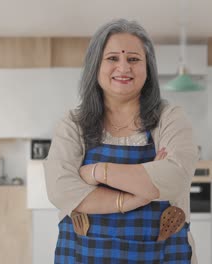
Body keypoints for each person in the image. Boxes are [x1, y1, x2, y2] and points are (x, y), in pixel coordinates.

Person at [43, 18, 199, 264]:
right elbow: (61, 190)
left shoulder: (170, 118)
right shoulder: (73, 123)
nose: (124, 68)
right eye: (113, 58)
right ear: (96, 66)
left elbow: (174, 178)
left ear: (148, 69)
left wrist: (97, 172)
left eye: (134, 59)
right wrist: (135, 197)